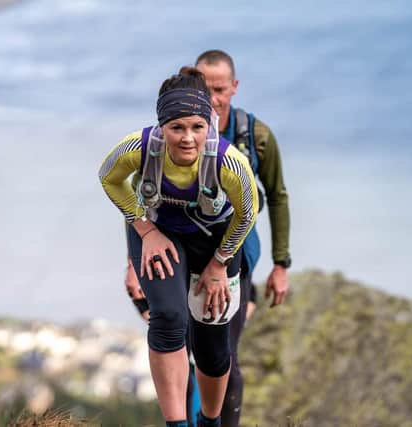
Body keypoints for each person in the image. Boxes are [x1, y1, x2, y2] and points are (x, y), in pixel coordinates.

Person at [126, 50, 292, 427]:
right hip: (175, 249)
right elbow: (141, 197)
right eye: (206, 87)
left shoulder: (255, 137)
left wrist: (281, 264)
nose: (213, 97)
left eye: (220, 89)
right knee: (174, 340)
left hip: (235, 255)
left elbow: (277, 196)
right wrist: (133, 263)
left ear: (234, 88)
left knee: (220, 353)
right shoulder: (174, 133)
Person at [99, 67, 259, 427]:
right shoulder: (139, 148)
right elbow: (108, 178)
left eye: (197, 127)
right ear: (161, 127)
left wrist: (219, 265)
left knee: (213, 348)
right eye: (177, 128)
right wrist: (144, 229)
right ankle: (177, 424)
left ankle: (210, 421)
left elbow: (247, 214)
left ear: (210, 124)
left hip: (215, 243)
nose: (187, 138)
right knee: (169, 318)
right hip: (159, 234)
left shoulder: (230, 163)